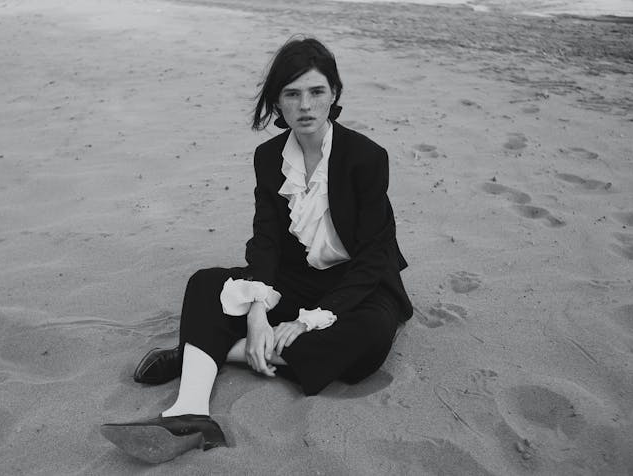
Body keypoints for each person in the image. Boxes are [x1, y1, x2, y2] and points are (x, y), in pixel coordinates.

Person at [100, 37, 413, 464]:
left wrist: (306, 323)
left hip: (358, 283)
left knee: (370, 343)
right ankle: (190, 410)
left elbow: (376, 255)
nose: (305, 105)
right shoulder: (268, 158)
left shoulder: (366, 158)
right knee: (206, 282)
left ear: (334, 94)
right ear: (278, 102)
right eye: (292, 94)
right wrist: (259, 310)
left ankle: (209, 350)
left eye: (317, 92)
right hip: (297, 276)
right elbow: (265, 240)